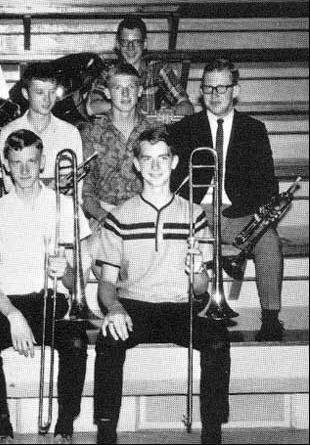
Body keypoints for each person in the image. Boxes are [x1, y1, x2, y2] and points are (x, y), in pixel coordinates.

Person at [93, 125, 230, 444]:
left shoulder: (194, 214)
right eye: (147, 158)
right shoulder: (119, 216)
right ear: (137, 164)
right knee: (107, 341)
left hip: (180, 307)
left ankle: (213, 432)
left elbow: (200, 288)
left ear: (174, 162)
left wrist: (197, 272)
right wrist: (113, 308)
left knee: (218, 341)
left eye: (162, 157)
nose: (155, 166)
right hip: (134, 308)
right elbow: (107, 283)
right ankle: (106, 431)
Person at [0, 129, 92, 444]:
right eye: (16, 162)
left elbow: (76, 282)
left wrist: (66, 270)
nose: (24, 171)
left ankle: (65, 424)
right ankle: (2, 426)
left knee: (76, 341)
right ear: (6, 166)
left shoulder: (64, 206)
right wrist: (12, 316)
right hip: (9, 303)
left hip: (53, 300)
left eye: (31, 162)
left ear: (42, 164)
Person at [169, 58, 284, 341]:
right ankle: (197, 313)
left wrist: (253, 213)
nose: (215, 95)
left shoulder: (254, 129)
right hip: (195, 210)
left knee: (268, 240)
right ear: (200, 91)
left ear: (236, 91)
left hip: (238, 211)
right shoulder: (184, 128)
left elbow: (267, 182)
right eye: (209, 88)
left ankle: (270, 318)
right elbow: (173, 183)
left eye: (222, 88)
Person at [79, 62, 154, 228]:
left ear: (140, 91)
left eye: (131, 87)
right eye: (118, 88)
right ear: (107, 92)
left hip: (147, 215)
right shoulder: (91, 133)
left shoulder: (154, 131)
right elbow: (86, 188)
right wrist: (102, 216)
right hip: (103, 214)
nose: (126, 94)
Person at [0, 62, 84, 191]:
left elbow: (77, 187)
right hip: (23, 208)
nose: (47, 99)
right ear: (26, 94)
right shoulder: (9, 132)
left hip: (60, 206)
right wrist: (47, 189)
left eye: (52, 92)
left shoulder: (70, 132)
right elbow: (9, 186)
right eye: (39, 92)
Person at [87, 16, 194, 118]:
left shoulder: (160, 70)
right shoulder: (108, 72)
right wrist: (124, 106)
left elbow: (188, 107)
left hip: (152, 133)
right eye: (125, 42)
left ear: (145, 44)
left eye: (136, 42)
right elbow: (93, 106)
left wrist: (172, 111)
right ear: (118, 44)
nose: (131, 48)